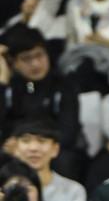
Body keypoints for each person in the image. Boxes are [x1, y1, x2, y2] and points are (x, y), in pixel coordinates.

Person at [0, 25, 84, 180]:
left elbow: (69, 132)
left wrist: (37, 145)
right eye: (26, 58)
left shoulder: (64, 86)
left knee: (66, 160)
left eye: (39, 55)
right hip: (14, 149)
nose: (35, 64)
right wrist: (2, 83)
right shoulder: (8, 87)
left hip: (51, 149)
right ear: (13, 61)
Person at [13, 117, 87, 201]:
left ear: (55, 149)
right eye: (26, 141)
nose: (33, 148)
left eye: (42, 141)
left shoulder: (74, 190)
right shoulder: (5, 190)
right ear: (15, 148)